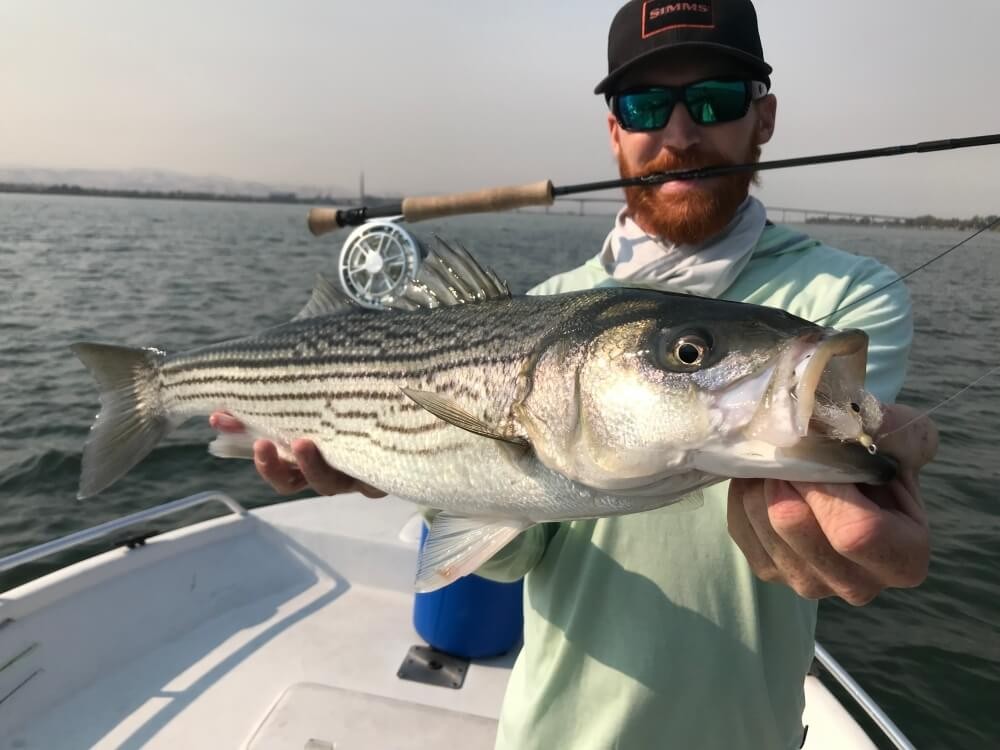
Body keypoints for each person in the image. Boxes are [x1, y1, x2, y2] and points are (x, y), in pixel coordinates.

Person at [211, 1, 936, 747]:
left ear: (765, 117)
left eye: (714, 100)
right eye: (646, 104)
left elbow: (840, 456)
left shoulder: (841, 300)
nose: (680, 134)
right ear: (615, 128)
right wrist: (409, 471)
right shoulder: (552, 301)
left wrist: (864, 477)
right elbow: (514, 551)